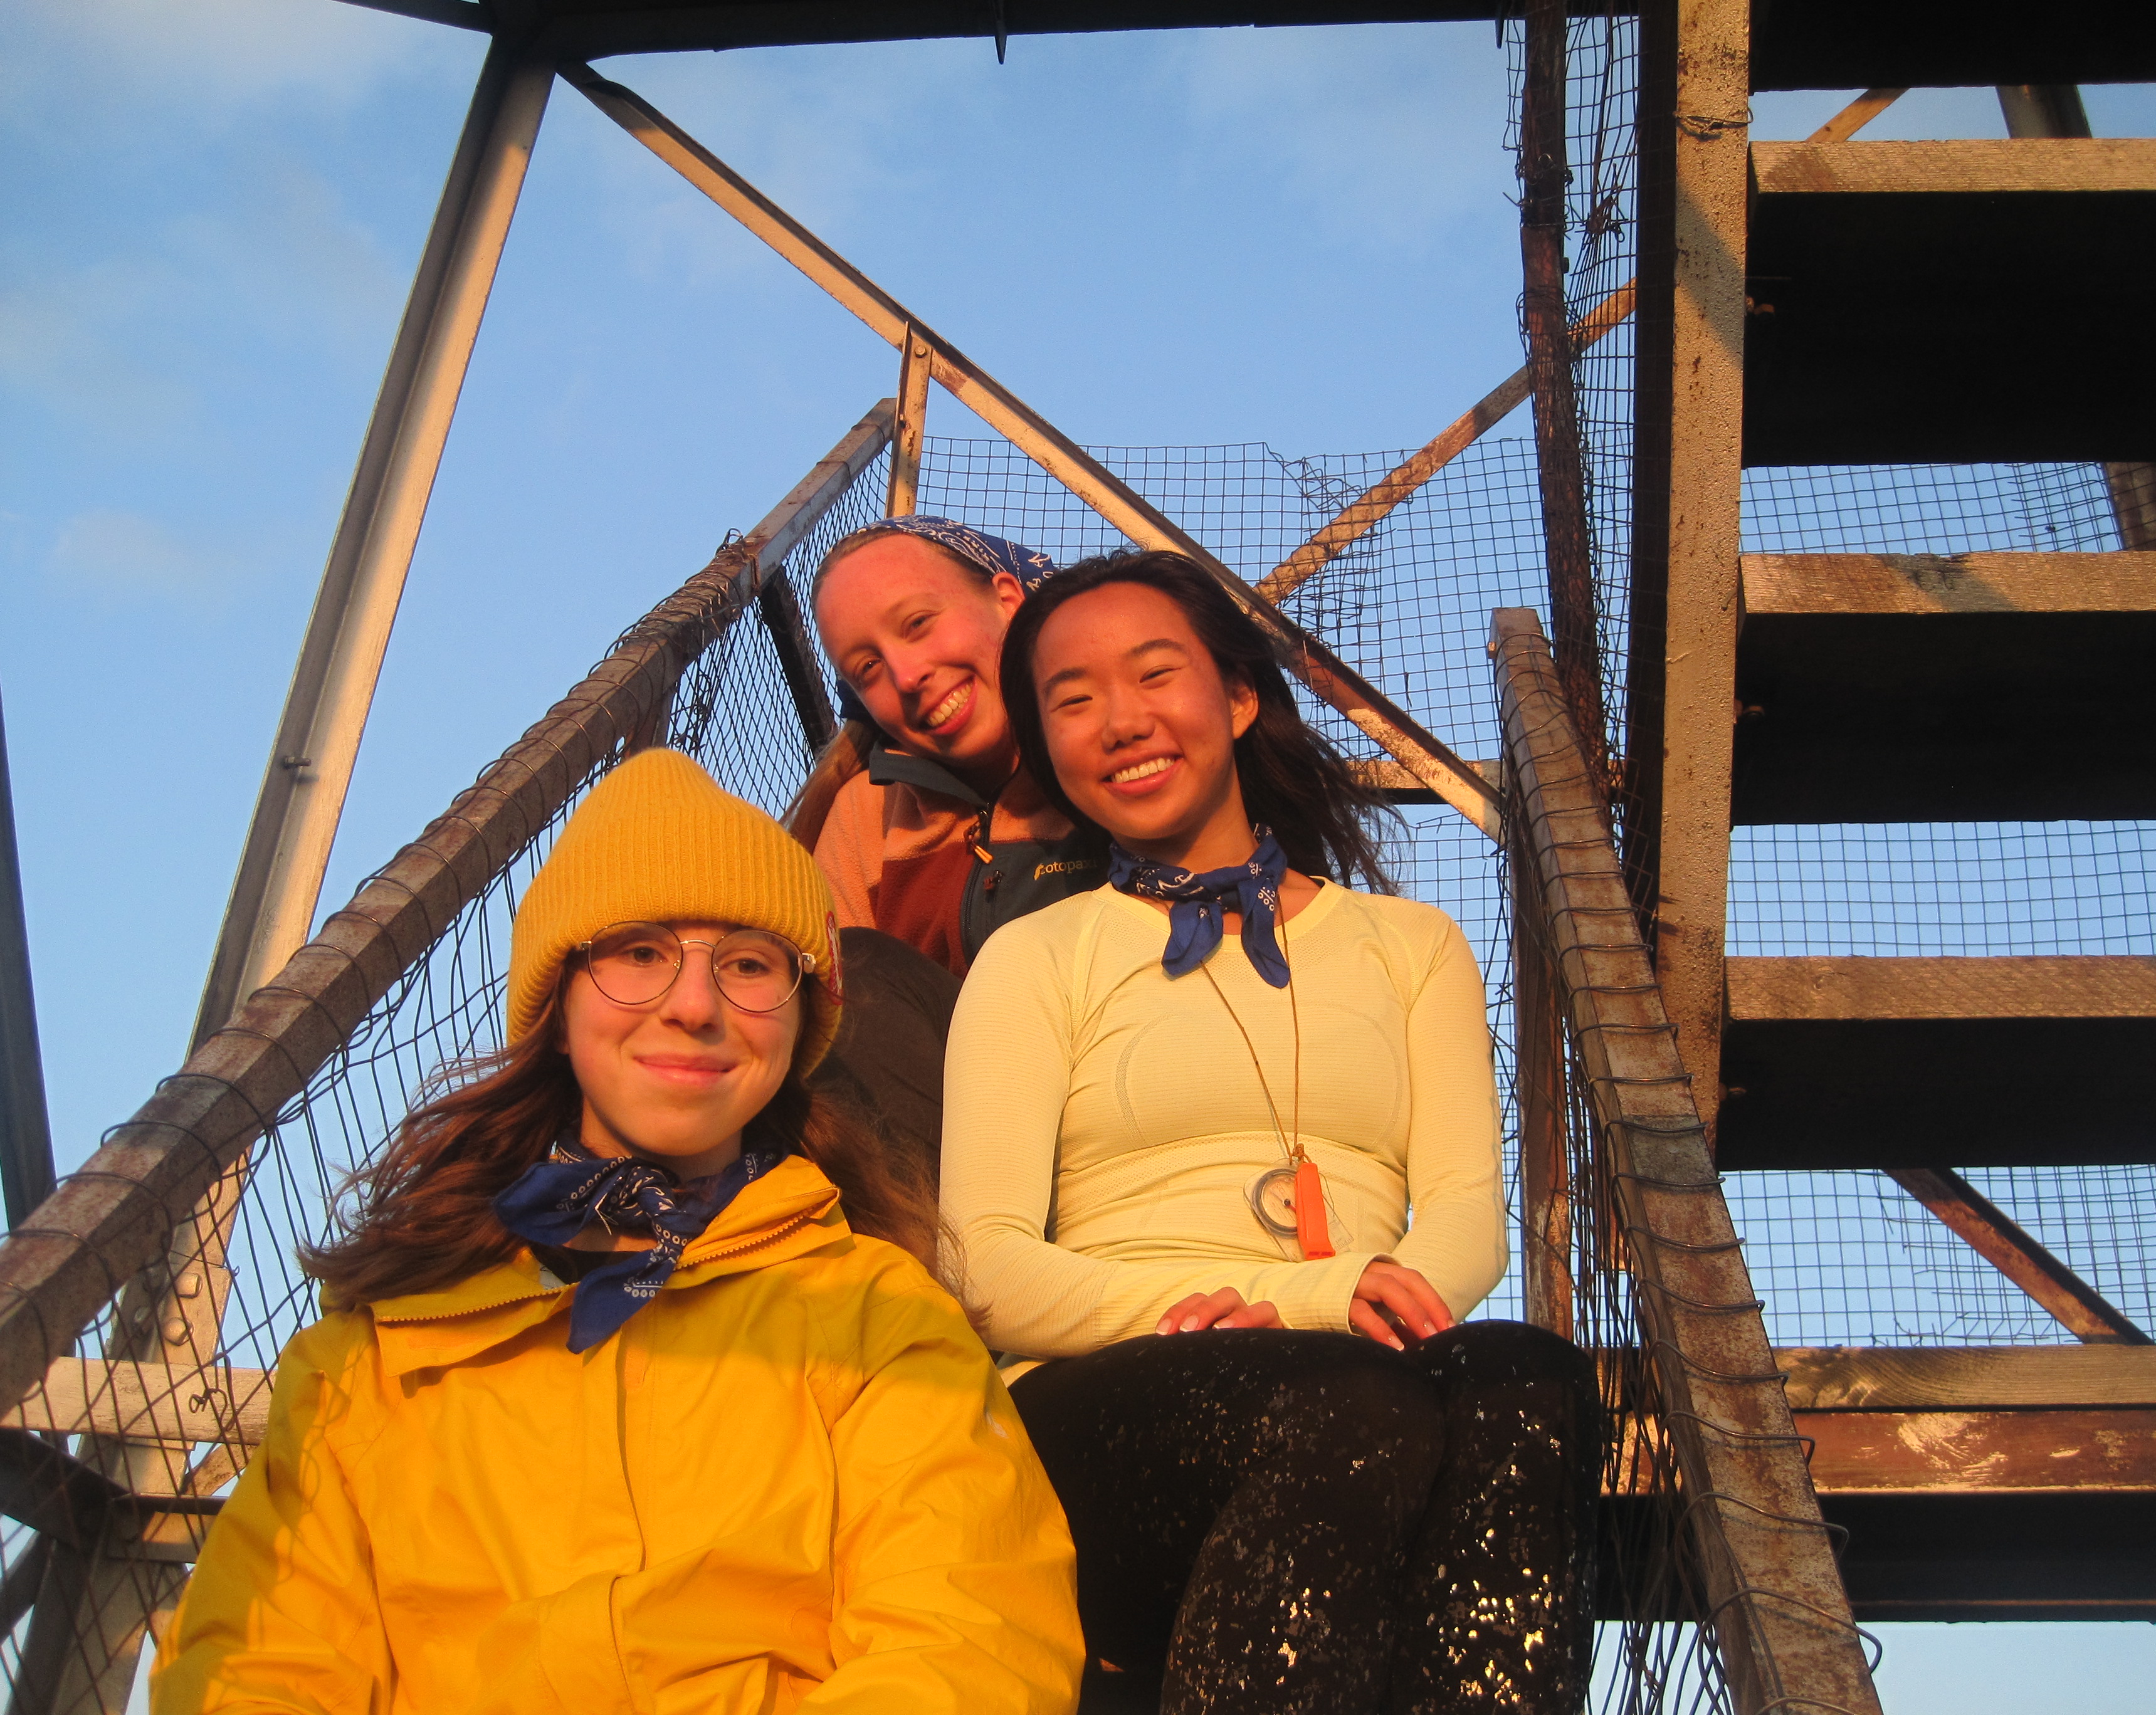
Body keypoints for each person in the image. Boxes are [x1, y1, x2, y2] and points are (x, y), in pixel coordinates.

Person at [154, 748, 1085, 1715]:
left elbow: (969, 1641)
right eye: (640, 952)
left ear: (802, 1017)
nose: (694, 1005)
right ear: (559, 1009)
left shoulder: (875, 1316)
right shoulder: (370, 1363)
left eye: (751, 964)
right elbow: (258, 1673)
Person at [939, 552, 1599, 1714]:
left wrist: (1359, 1305)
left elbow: (1462, 1215)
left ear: (1238, 699)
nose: (1120, 721)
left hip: (1365, 1365)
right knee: (1351, 1403)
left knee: (1524, 1378)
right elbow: (982, 1263)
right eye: (1072, 700)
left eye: (1155, 674)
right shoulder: (1036, 956)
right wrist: (1287, 1300)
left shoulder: (1409, 945)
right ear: (1046, 749)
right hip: (1108, 1388)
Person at [795, 516, 1103, 978]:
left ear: (1007, 601)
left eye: (918, 623)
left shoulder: (1118, 741)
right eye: (868, 668)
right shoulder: (865, 817)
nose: (906, 675)